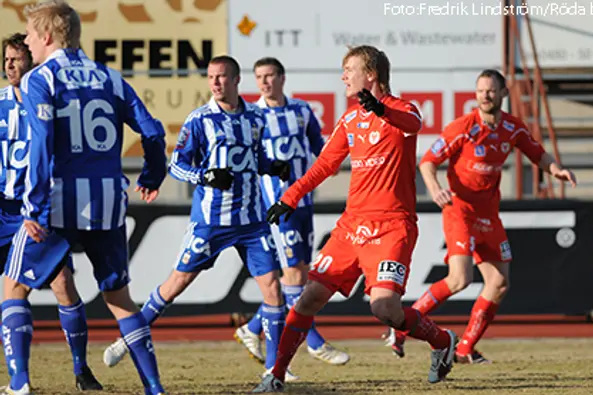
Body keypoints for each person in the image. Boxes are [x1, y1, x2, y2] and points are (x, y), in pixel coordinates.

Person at [252, 45, 457, 393]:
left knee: (384, 309)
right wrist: (290, 197)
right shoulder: (350, 119)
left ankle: (442, 341)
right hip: (351, 228)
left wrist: (382, 110)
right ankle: (276, 375)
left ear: (371, 75)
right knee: (307, 298)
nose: (343, 76)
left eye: (349, 69)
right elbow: (324, 165)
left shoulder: (401, 110)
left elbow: (413, 123)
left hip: (392, 227)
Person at [2, 2, 169, 394]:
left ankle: (19, 384)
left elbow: (42, 145)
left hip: (58, 203)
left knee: (13, 288)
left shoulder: (40, 79)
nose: (25, 39)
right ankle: (154, 388)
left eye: (29, 33)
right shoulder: (110, 78)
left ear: (46, 36)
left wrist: (36, 209)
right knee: (120, 300)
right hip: (109, 203)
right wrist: (152, 172)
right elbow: (153, 130)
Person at [102, 55, 294, 378]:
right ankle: (128, 337)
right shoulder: (199, 120)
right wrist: (205, 176)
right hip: (212, 221)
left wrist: (273, 166)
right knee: (177, 283)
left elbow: (257, 159)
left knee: (273, 288)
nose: (215, 83)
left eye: (221, 77)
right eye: (211, 77)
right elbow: (177, 165)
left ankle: (273, 374)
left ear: (236, 81)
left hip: (252, 221)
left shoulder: (256, 118)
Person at [383, 69, 578, 364]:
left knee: (499, 282)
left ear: (502, 94)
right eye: (480, 91)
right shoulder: (463, 127)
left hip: (490, 215)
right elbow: (428, 162)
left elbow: (537, 154)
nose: (484, 96)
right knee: (460, 279)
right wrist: (435, 189)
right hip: (459, 210)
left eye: (490, 90)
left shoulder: (512, 128)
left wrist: (556, 169)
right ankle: (402, 326)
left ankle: (465, 348)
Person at [0, 31, 103, 392]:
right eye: (7, 59)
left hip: (38, 210)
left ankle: (80, 369)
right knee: (13, 289)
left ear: (33, 59)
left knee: (62, 285)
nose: (11, 65)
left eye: (18, 57)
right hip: (2, 209)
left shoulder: (49, 99)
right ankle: (19, 380)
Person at [233, 57, 350, 369]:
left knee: (295, 275)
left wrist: (334, 165)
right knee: (295, 274)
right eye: (259, 77)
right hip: (276, 205)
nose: (264, 82)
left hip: (304, 203)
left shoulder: (301, 110)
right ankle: (314, 342)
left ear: (282, 78)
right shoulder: (252, 114)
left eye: (269, 75)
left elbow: (319, 147)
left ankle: (252, 328)